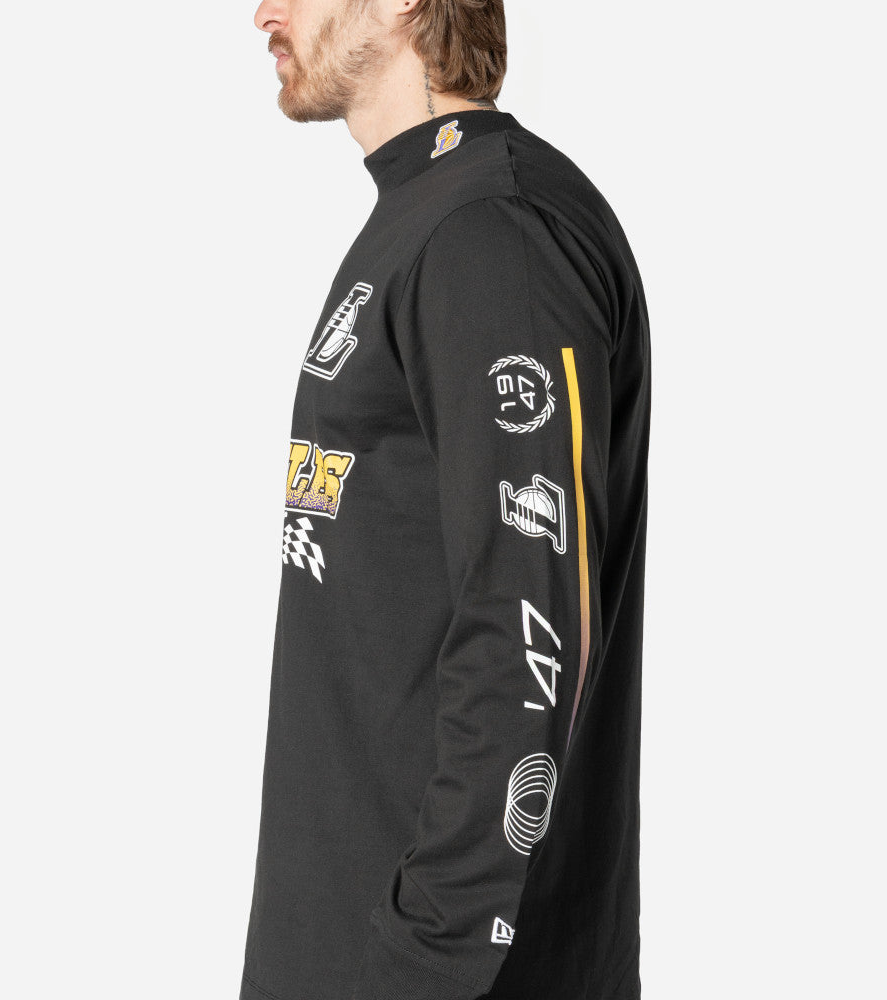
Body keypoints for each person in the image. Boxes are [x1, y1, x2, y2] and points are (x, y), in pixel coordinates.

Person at [238, 2, 651, 998]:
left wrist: (423, 959)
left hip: (432, 972)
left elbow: (529, 632)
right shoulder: (428, 213)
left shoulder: (492, 233)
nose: (262, 12)